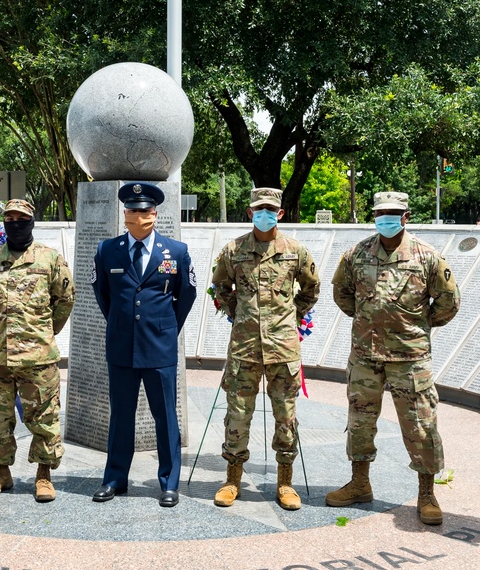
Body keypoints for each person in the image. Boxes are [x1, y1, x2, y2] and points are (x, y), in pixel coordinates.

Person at [328, 191, 460, 525]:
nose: (385, 219)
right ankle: (360, 482)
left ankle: (427, 493)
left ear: (405, 216)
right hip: (365, 354)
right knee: (360, 422)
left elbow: (448, 302)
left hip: (409, 357)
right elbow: (342, 294)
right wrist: (367, 320)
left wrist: (417, 325)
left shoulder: (427, 257)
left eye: (393, 213)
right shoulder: (357, 254)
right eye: (380, 213)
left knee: (421, 426)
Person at [211, 188, 320, 510]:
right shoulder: (234, 250)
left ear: (281, 213)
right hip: (244, 347)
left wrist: (291, 316)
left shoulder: (296, 250)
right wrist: (238, 313)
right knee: (237, 415)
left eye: (271, 209)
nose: (265, 214)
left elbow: (312, 288)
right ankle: (232, 480)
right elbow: (221, 286)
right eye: (259, 209)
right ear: (249, 212)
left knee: (286, 417)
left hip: (283, 349)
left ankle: (285, 483)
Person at [91, 182, 198, 507]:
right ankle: (114, 479)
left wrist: (166, 328)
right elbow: (103, 295)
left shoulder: (176, 252)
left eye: (146, 211)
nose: (140, 216)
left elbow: (187, 296)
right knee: (120, 416)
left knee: (165, 416)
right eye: (134, 211)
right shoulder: (107, 250)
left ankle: (168, 482)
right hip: (122, 347)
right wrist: (122, 324)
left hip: (160, 348)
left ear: (155, 213)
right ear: (125, 214)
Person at [0, 199, 75, 502]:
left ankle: (43, 475)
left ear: (31, 221)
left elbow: (66, 299)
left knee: (44, 416)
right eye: (10, 218)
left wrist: (44, 332)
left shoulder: (50, 259)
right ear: (4, 222)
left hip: (38, 357)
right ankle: (0, 473)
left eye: (22, 218)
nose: (15, 223)